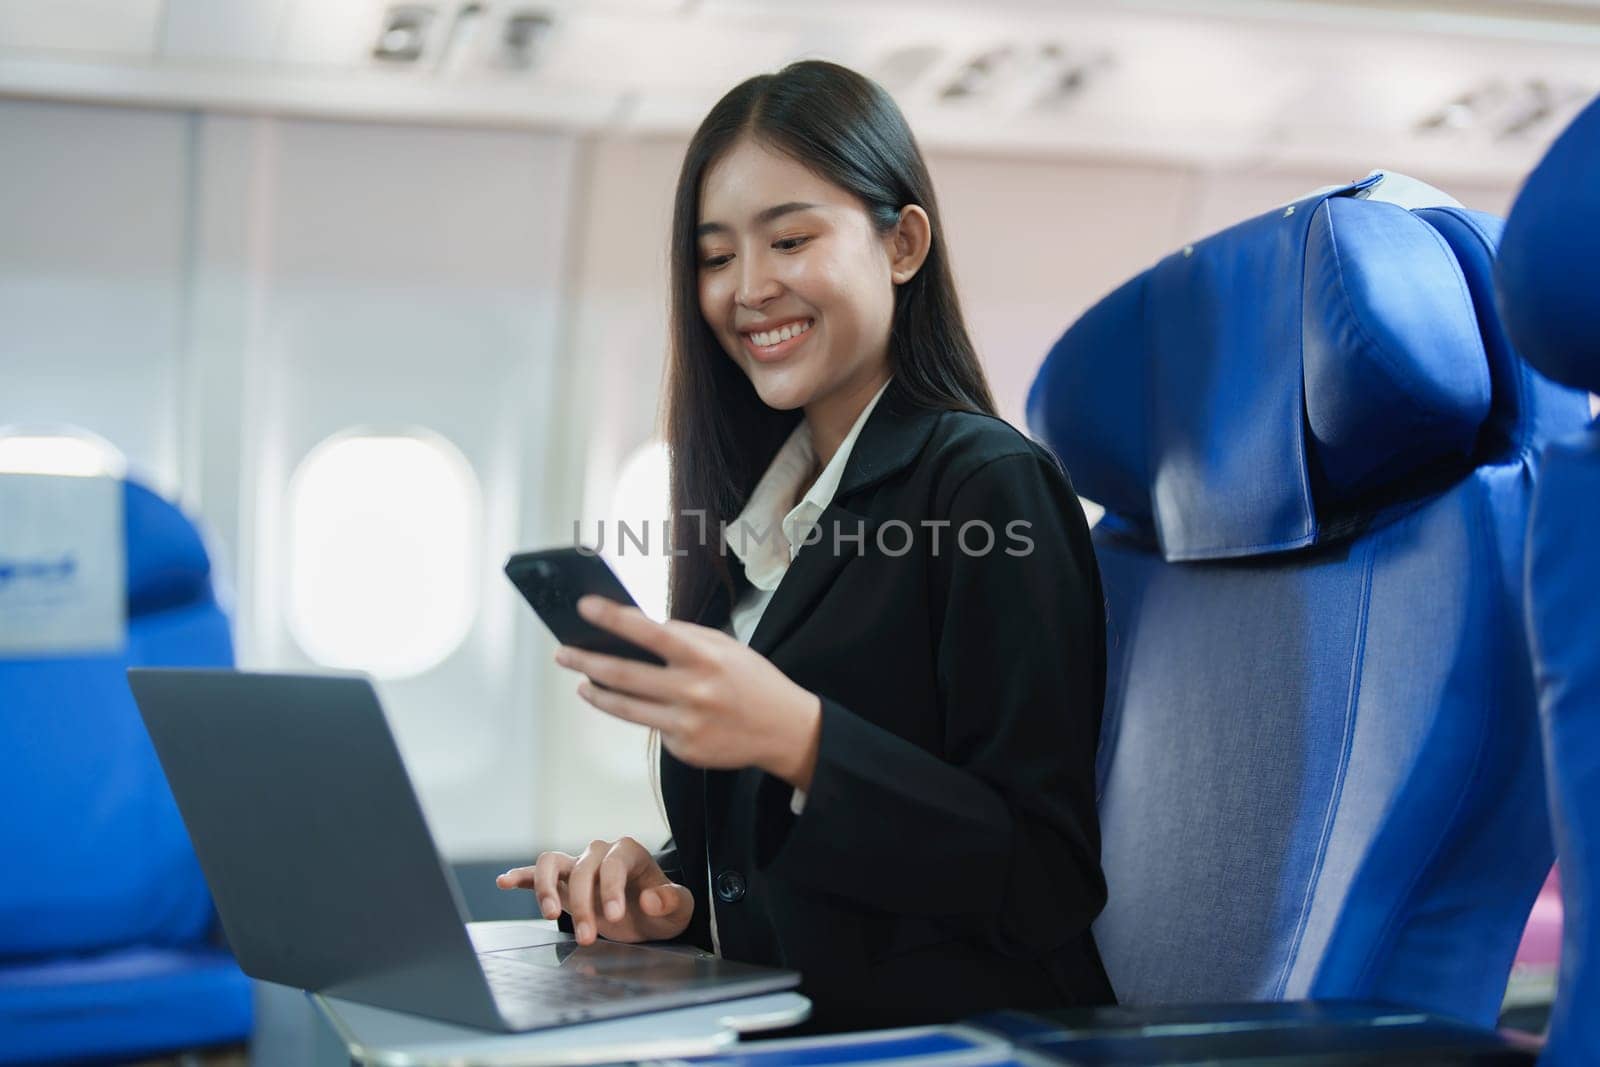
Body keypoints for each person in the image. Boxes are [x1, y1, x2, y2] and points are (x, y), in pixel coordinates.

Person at [498, 58, 1115, 1033]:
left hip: (957, 1040)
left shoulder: (987, 483)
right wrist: (670, 892)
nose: (749, 287)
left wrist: (799, 736)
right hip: (780, 1026)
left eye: (789, 237)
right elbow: (807, 875)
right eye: (713, 256)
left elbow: (1040, 876)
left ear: (902, 243)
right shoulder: (747, 528)